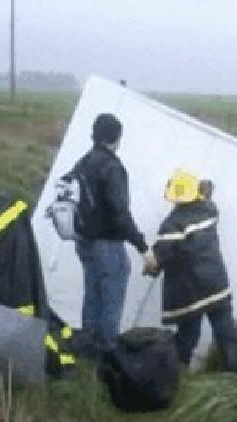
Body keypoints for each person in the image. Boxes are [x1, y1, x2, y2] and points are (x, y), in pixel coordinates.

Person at [73, 113, 155, 357]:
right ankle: (107, 358)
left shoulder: (82, 163)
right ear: (116, 138)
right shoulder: (112, 167)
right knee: (111, 302)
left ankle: (87, 355)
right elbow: (120, 213)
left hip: (84, 242)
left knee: (92, 296)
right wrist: (142, 246)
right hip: (108, 245)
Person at [143, 169, 237, 372]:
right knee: (225, 334)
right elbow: (206, 190)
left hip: (190, 294)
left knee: (187, 338)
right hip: (216, 286)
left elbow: (158, 259)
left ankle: (178, 379)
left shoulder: (171, 225)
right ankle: (234, 375)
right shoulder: (209, 211)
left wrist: (150, 266)